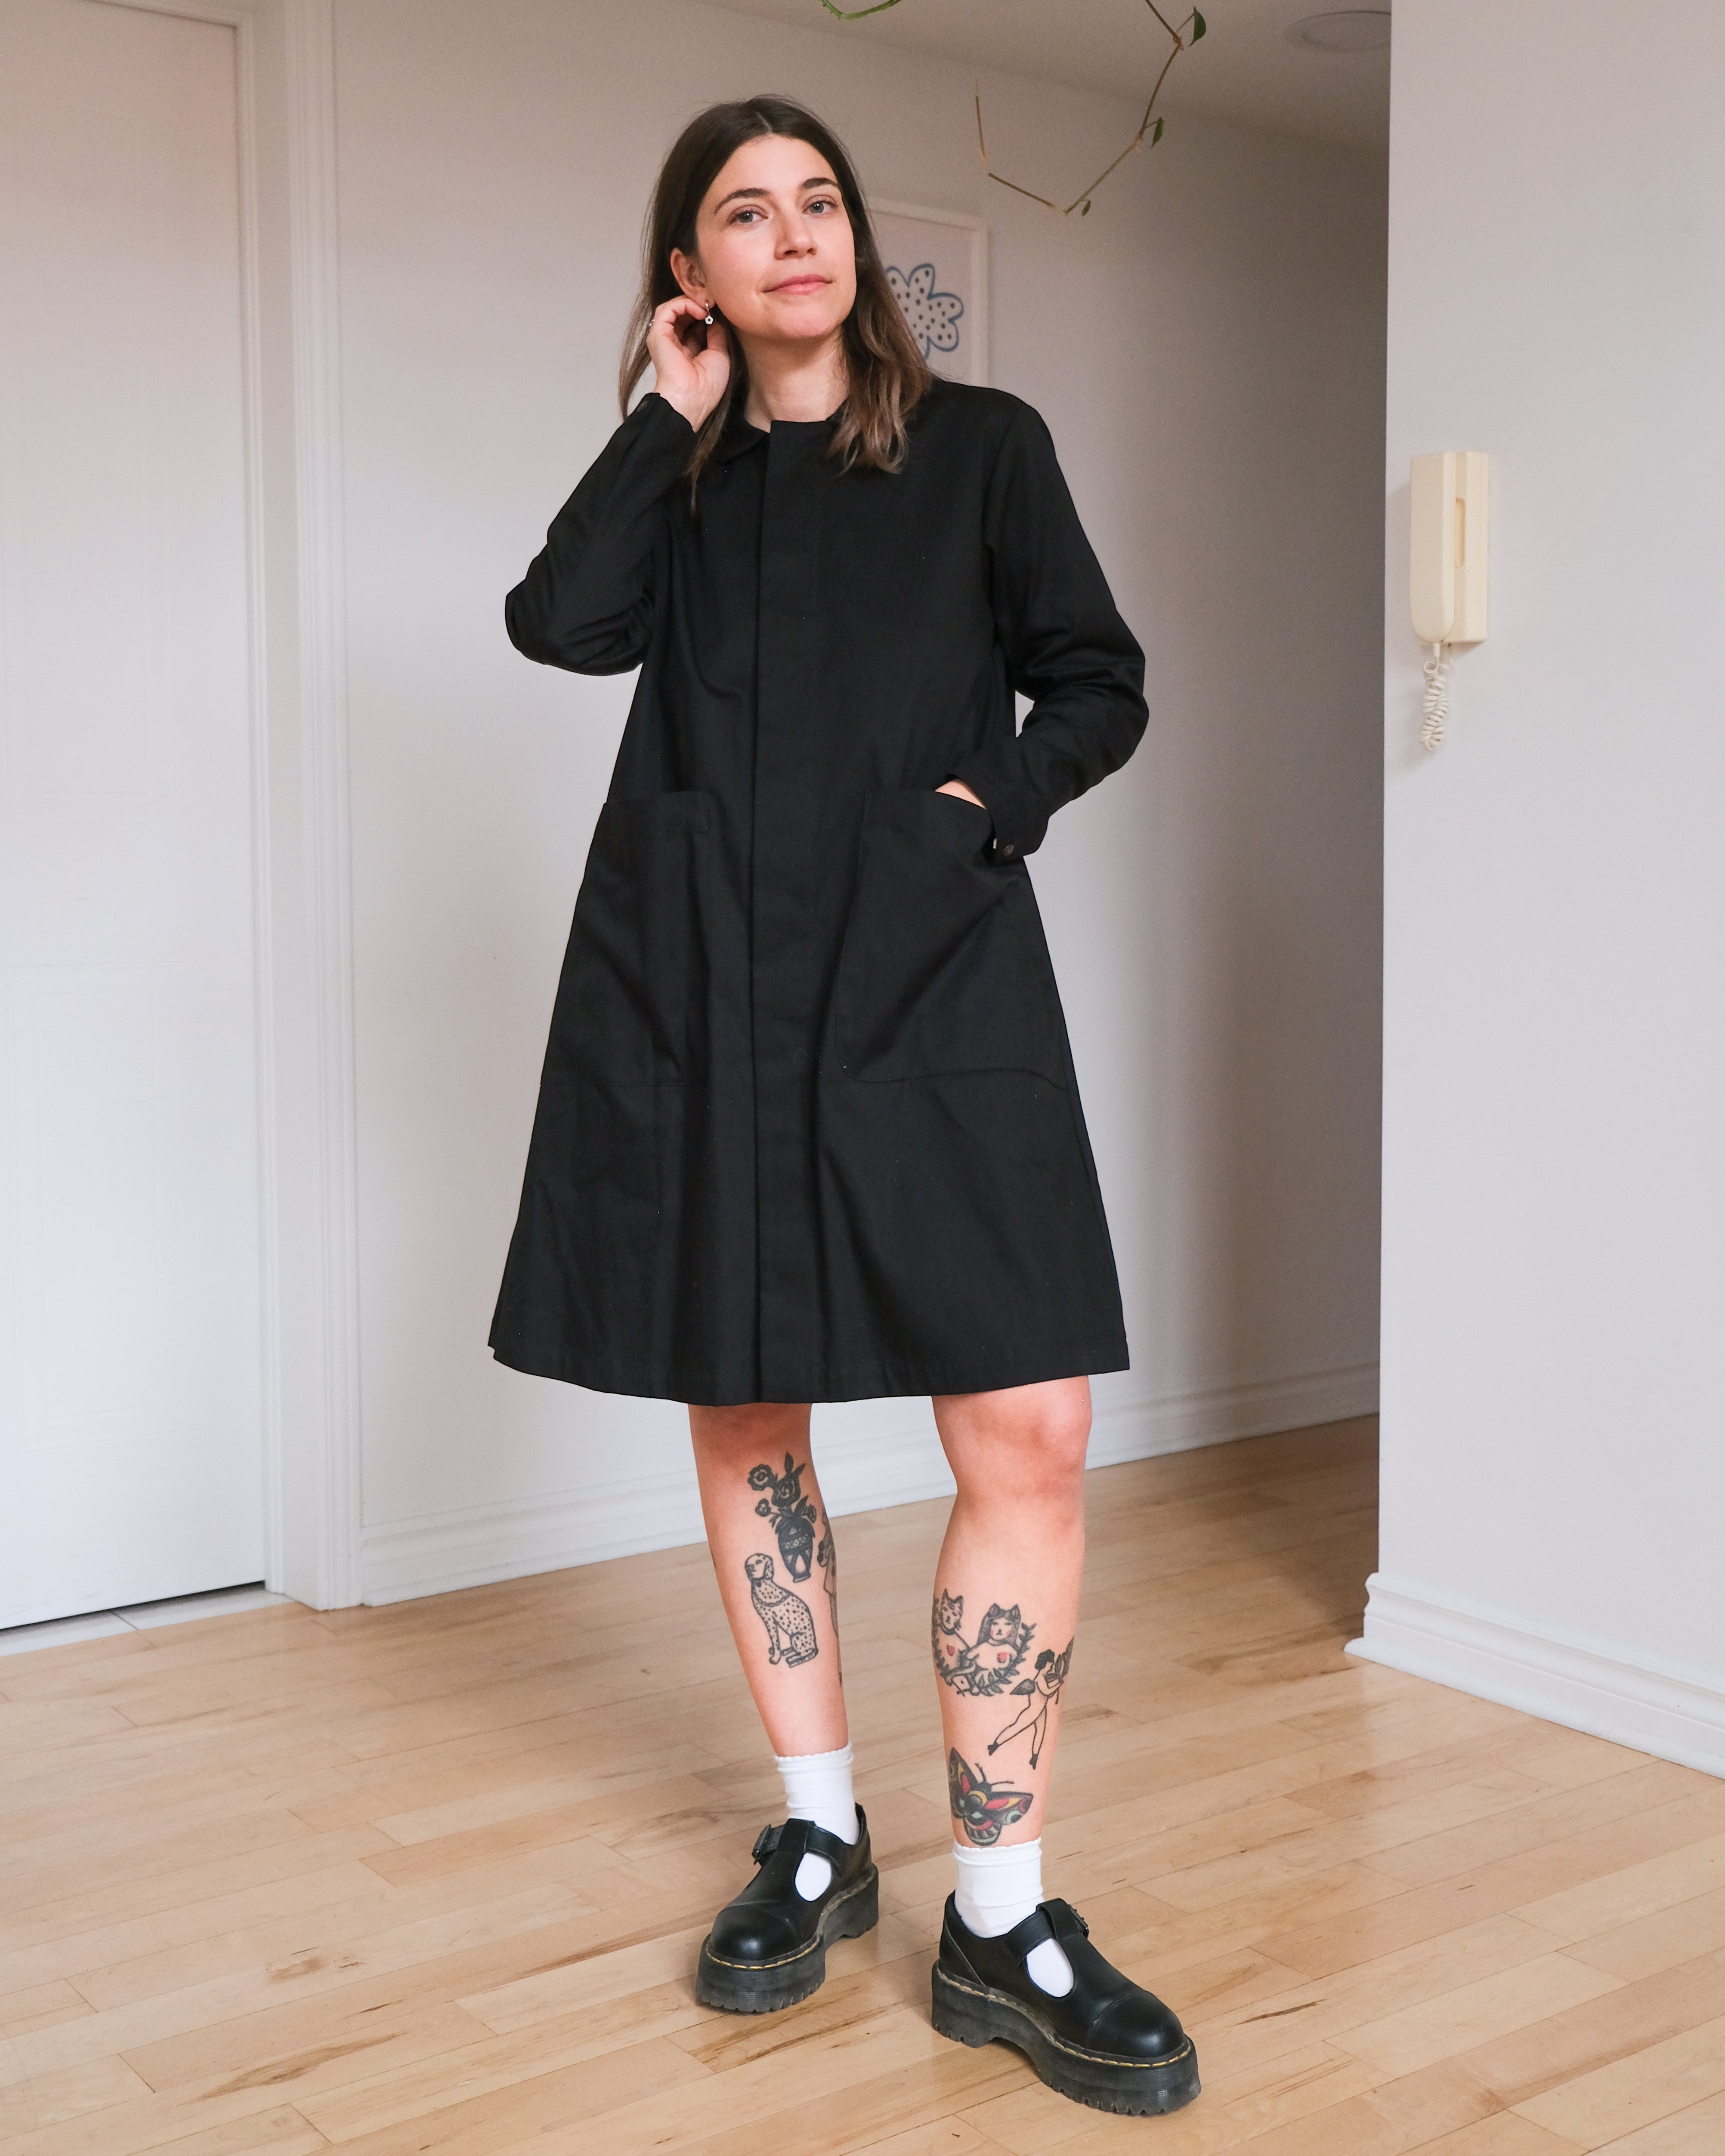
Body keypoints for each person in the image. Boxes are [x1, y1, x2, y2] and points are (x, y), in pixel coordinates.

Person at [491, 94, 1199, 2119]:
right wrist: (664, 412)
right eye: (746, 213)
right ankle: (816, 1827)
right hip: (710, 982)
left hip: (932, 972)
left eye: (820, 202)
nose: (795, 234)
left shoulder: (985, 448)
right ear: (691, 274)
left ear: (857, 242)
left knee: (1029, 1421)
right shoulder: (683, 478)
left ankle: (1005, 1913)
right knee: (749, 1402)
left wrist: (982, 809)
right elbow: (560, 625)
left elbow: (1098, 678)